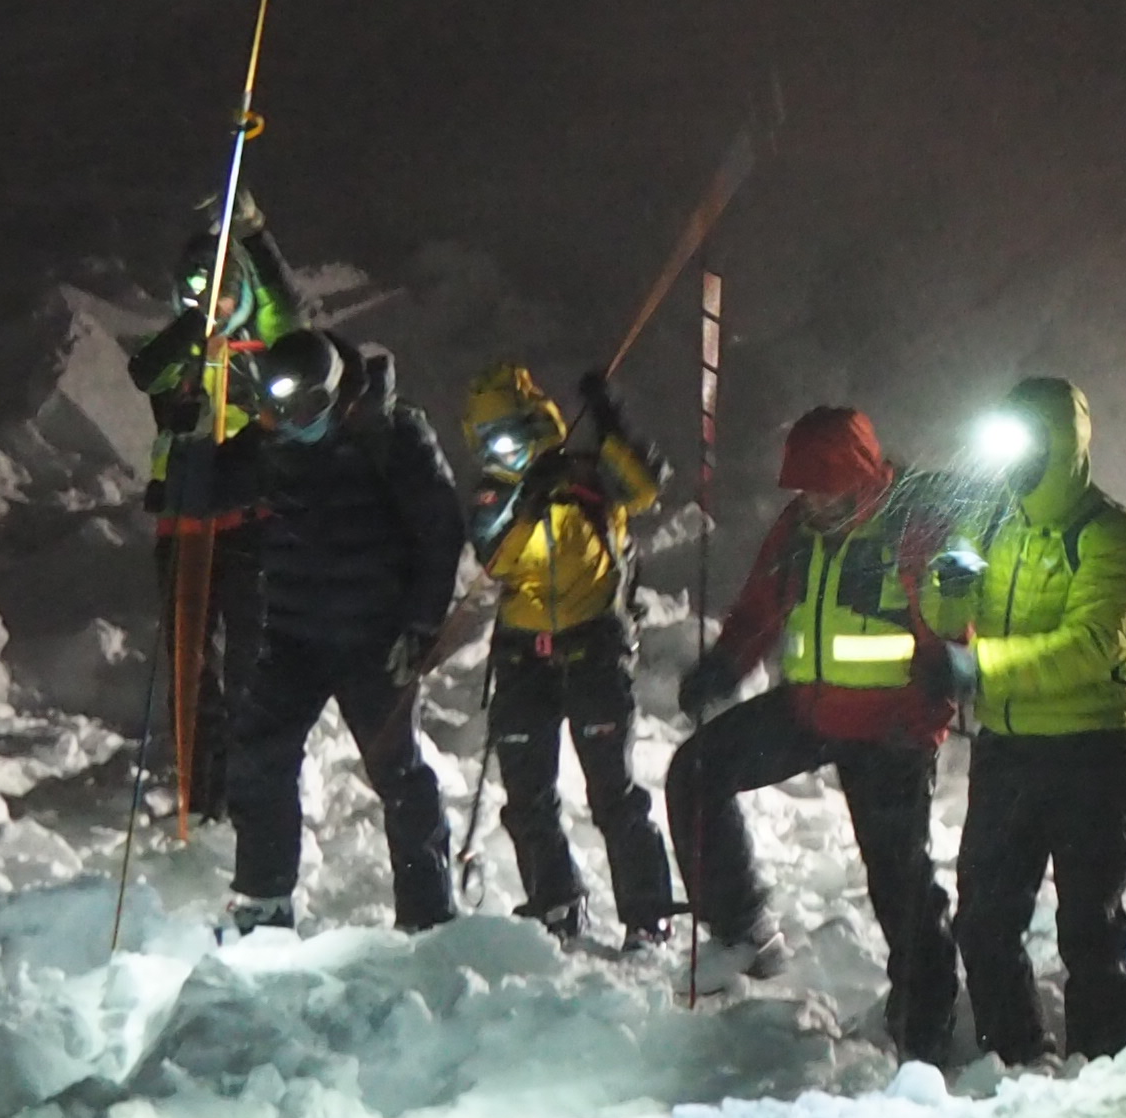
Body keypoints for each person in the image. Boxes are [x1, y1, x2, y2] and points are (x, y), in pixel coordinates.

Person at [667, 408, 964, 1040]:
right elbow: (759, 609)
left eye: (823, 485)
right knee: (696, 770)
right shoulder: (799, 529)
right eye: (802, 486)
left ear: (861, 476)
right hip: (809, 711)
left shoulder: (912, 528)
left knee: (898, 880)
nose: (811, 498)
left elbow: (948, 635)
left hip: (890, 727)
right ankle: (743, 929)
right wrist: (724, 665)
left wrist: (925, 718)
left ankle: (927, 1015)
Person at [920, 377, 1126, 1065]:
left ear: (1063, 443)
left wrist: (979, 667)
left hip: (1090, 752)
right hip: (1009, 753)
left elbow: (1088, 645)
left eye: (1030, 439)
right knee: (984, 920)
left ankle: (1106, 1068)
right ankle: (1016, 1057)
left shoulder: (1108, 531)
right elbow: (947, 625)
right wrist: (948, 588)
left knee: (1091, 927)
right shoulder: (993, 522)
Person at [220, 327, 463, 932]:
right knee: (257, 757)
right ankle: (264, 896)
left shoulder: (392, 434)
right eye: (279, 411)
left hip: (373, 639)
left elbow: (440, 529)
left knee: (397, 773)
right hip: (296, 635)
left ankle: (428, 913)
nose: (291, 422)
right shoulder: (270, 443)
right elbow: (208, 488)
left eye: (306, 409)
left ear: (336, 395)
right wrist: (189, 437)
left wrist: (423, 622)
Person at [460, 361, 680, 951]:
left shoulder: (589, 472)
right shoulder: (494, 493)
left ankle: (647, 914)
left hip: (594, 647)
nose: (499, 449)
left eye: (507, 433)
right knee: (527, 794)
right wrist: (525, 499)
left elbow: (648, 486)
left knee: (613, 790)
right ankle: (555, 902)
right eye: (487, 440)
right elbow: (496, 559)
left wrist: (612, 419)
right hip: (521, 656)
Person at [124, 193, 307, 817]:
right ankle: (200, 793)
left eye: (222, 292)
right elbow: (145, 371)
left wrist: (253, 235)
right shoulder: (179, 347)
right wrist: (191, 330)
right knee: (190, 666)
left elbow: (289, 307)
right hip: (184, 524)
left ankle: (249, 789)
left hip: (249, 527)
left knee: (251, 665)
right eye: (197, 291)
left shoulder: (264, 349)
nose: (211, 304)